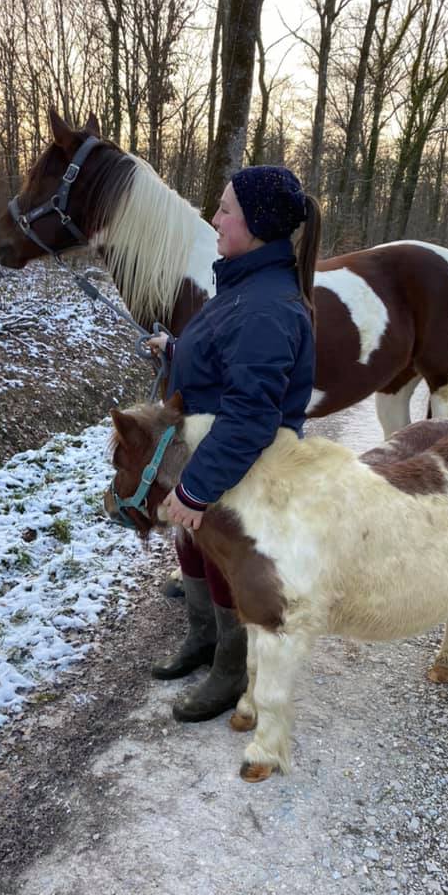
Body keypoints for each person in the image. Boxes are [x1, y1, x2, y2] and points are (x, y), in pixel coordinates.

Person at [146, 165, 321, 722]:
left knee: (222, 558)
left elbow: (249, 415)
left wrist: (196, 490)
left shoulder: (267, 307)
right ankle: (202, 639)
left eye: (225, 210)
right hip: (213, 453)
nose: (214, 218)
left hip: (240, 466)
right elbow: (225, 361)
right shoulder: (243, 285)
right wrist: (175, 352)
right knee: (190, 546)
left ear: (258, 225)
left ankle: (231, 666)